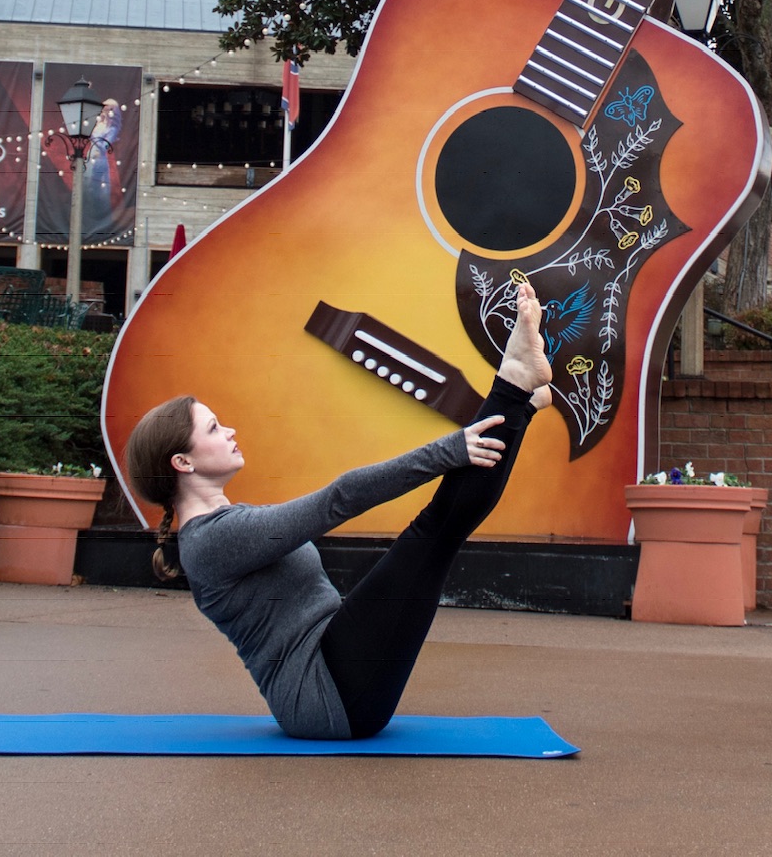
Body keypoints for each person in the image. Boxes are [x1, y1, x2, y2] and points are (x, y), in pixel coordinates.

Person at [124, 282, 554, 740]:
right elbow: (338, 499)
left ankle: (516, 397)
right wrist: (448, 450)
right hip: (328, 696)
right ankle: (513, 389)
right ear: (183, 462)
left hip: (339, 671)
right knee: (434, 533)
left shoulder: (222, 528)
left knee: (438, 533)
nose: (229, 430)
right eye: (212, 428)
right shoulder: (212, 540)